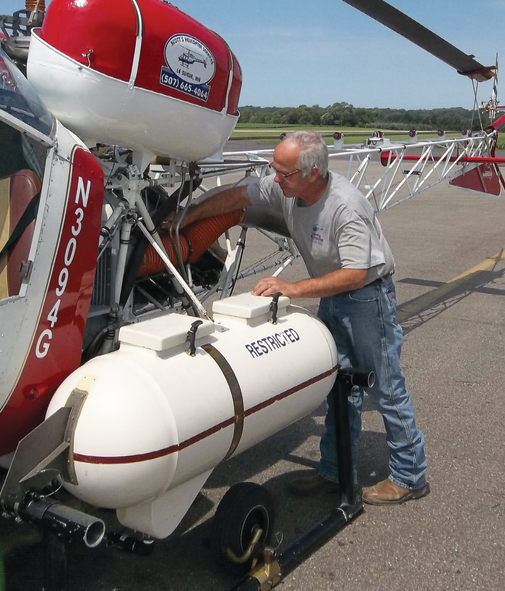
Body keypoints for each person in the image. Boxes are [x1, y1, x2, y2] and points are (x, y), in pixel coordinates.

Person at [170, 131, 428, 505]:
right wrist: (187, 217)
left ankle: (410, 475)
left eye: (284, 173)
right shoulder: (288, 187)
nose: (276, 179)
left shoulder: (345, 207)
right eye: (275, 170)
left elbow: (357, 272)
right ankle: (335, 470)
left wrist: (291, 288)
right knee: (338, 386)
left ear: (313, 173)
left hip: (366, 298)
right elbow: (240, 194)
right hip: (334, 297)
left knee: (385, 388)